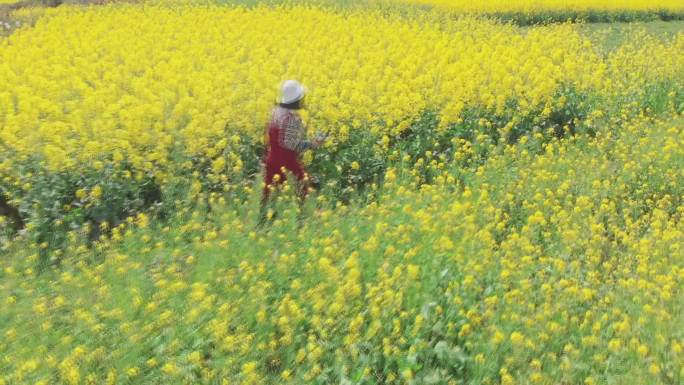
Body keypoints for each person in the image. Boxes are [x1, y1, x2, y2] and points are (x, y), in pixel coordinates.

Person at [259, 80, 324, 225]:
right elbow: (291, 145)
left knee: (267, 197)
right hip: (288, 163)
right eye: (301, 98)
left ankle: (262, 224)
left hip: (271, 162)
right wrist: (312, 143)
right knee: (304, 193)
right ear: (295, 100)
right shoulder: (293, 119)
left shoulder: (274, 115)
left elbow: (269, 140)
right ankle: (307, 222)